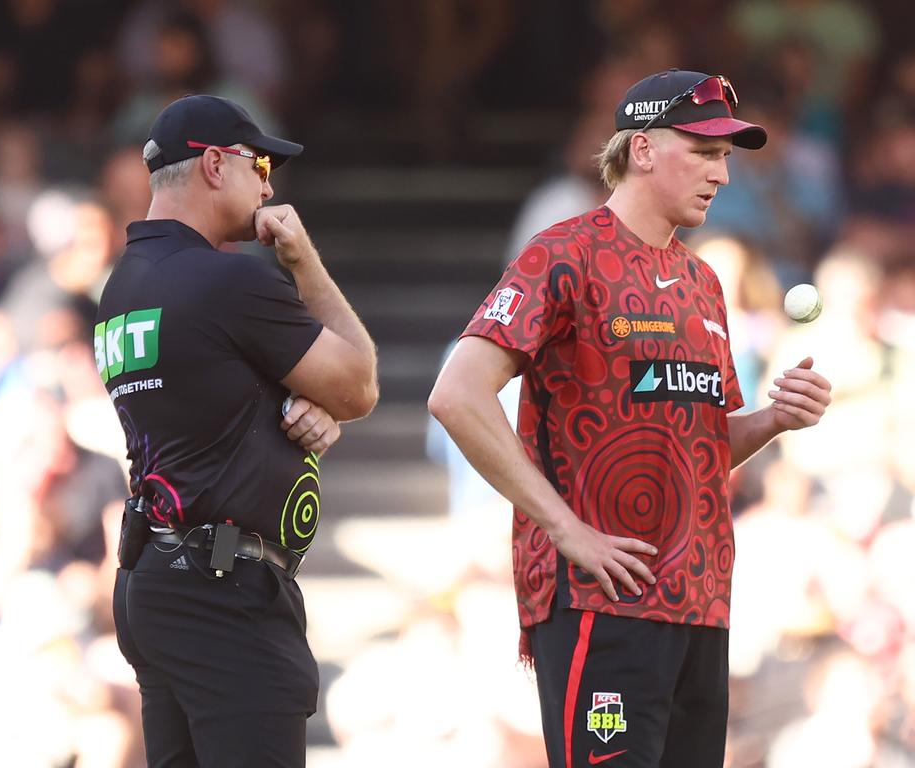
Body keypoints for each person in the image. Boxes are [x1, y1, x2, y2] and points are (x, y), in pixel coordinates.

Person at [427, 69, 832, 768]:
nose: (723, 176)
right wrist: (566, 528)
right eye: (704, 152)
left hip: (700, 603)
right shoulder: (564, 253)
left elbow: (699, 446)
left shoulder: (705, 281)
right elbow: (456, 395)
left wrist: (772, 419)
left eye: (727, 156)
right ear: (641, 150)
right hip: (603, 597)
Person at [96, 94, 378, 767]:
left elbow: (208, 403)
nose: (269, 184)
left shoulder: (122, 288)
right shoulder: (225, 280)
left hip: (156, 577)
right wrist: (305, 262)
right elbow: (360, 383)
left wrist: (299, 413)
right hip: (221, 590)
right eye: (258, 164)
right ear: (215, 164)